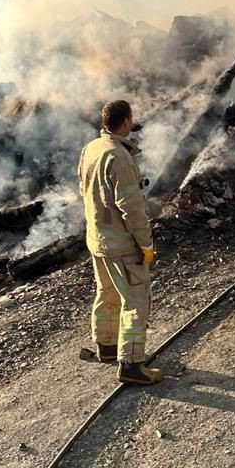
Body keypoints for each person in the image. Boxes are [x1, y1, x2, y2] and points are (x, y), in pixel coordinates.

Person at [78, 99, 163, 386]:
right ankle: (131, 364)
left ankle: (106, 346)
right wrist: (146, 243)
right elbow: (131, 206)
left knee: (107, 292)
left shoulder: (91, 149)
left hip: (97, 240)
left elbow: (83, 189)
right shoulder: (120, 157)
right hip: (122, 246)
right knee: (136, 301)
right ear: (125, 122)